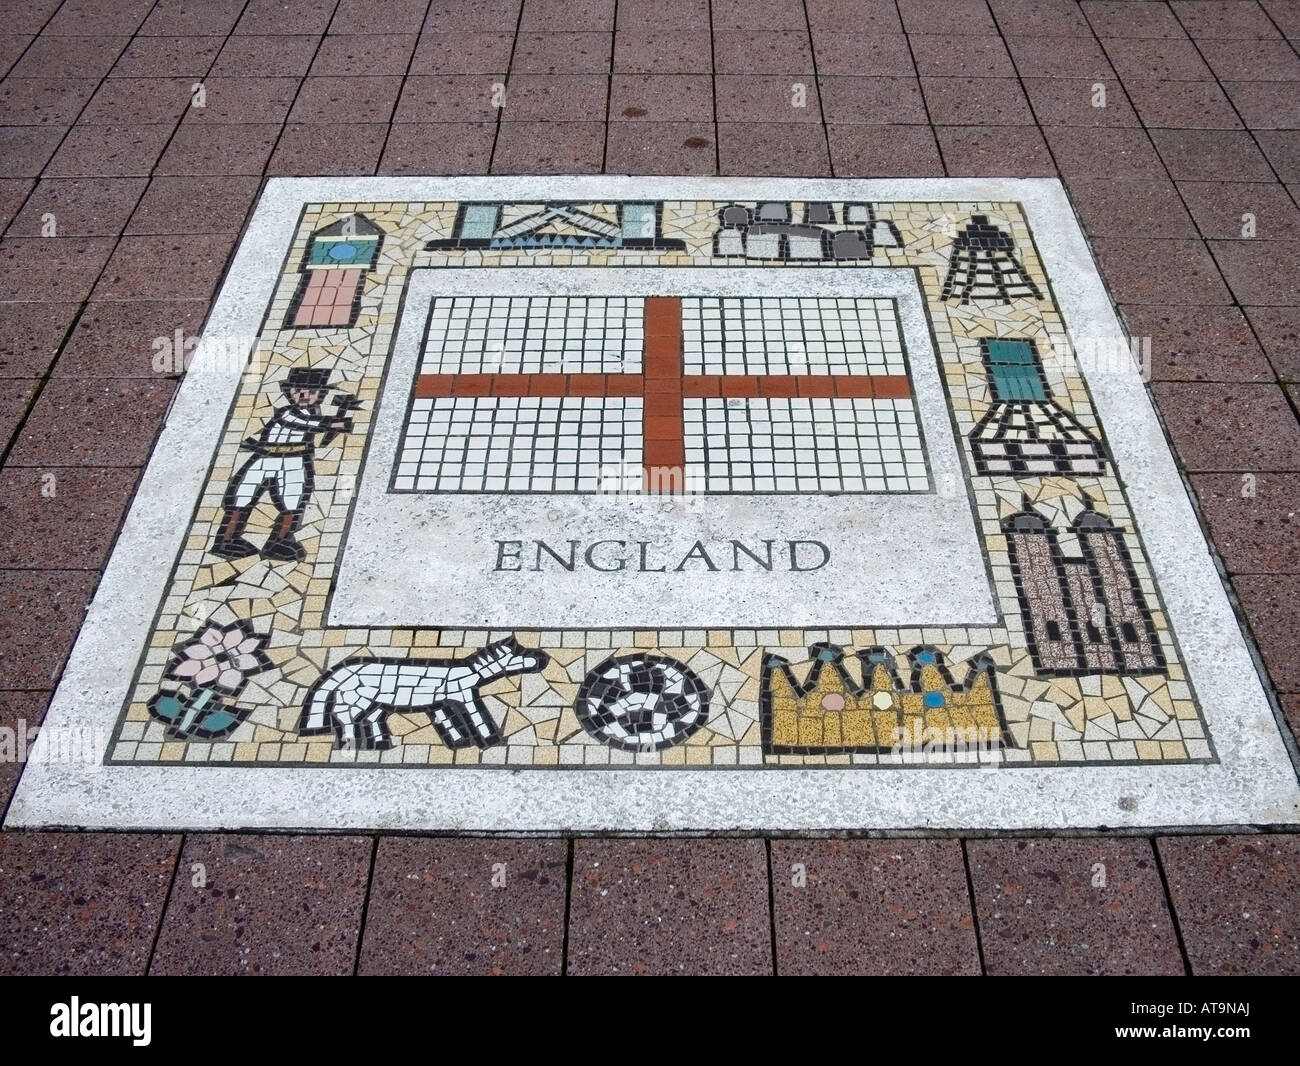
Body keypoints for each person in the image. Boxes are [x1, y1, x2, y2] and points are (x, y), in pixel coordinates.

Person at [210, 367, 356, 562]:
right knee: (242, 497)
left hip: (296, 460)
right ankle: (227, 540)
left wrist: (336, 424)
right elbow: (306, 423)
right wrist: (336, 423)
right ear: (290, 392)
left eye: (312, 392)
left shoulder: (313, 412)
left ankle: (279, 541)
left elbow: (317, 429)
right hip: (266, 457)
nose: (304, 395)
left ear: (321, 394)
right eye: (298, 391)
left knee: (293, 502)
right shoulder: (286, 413)